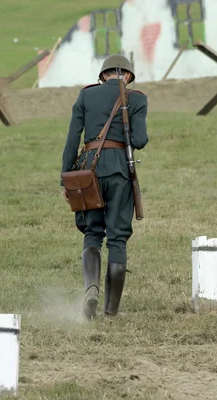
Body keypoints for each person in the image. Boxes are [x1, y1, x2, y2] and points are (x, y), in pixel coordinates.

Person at [61, 54, 148, 319]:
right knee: (117, 237)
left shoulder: (86, 96)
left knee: (92, 233)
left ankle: (91, 291)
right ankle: (111, 311)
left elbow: (72, 138)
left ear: (102, 75)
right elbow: (141, 139)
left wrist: (65, 177)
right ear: (129, 76)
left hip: (88, 171)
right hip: (121, 170)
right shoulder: (136, 99)